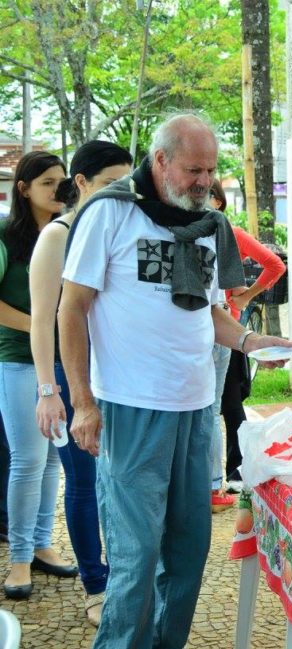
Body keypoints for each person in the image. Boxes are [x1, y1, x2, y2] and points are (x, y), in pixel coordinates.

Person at [58, 113, 291, 648]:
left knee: (188, 552)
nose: (204, 182)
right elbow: (72, 311)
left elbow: (213, 315)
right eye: (193, 170)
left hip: (196, 408)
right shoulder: (111, 213)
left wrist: (252, 343)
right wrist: (82, 403)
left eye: (210, 170)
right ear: (160, 161)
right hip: (130, 407)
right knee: (136, 558)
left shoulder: (206, 225)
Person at [29, 140, 132, 624]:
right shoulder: (58, 235)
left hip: (119, 378)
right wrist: (49, 392)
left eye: (128, 185)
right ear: (83, 183)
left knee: (121, 483)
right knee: (85, 483)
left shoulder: (122, 227)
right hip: (73, 382)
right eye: (113, 184)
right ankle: (95, 582)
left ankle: (126, 576)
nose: (123, 195)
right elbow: (42, 320)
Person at [0, 151, 78, 601]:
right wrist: (40, 325)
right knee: (27, 459)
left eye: (62, 181)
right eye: (47, 182)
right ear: (23, 187)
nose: (57, 189)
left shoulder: (67, 235)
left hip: (61, 359)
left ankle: (44, 543)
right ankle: (19, 559)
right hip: (16, 359)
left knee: (52, 459)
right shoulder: (6, 236)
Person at [210, 179, 285, 490]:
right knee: (224, 404)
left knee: (226, 405)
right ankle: (228, 474)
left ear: (218, 201)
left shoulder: (231, 234)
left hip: (228, 329)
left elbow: (274, 265)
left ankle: (228, 475)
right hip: (206, 331)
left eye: (209, 193)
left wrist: (244, 297)